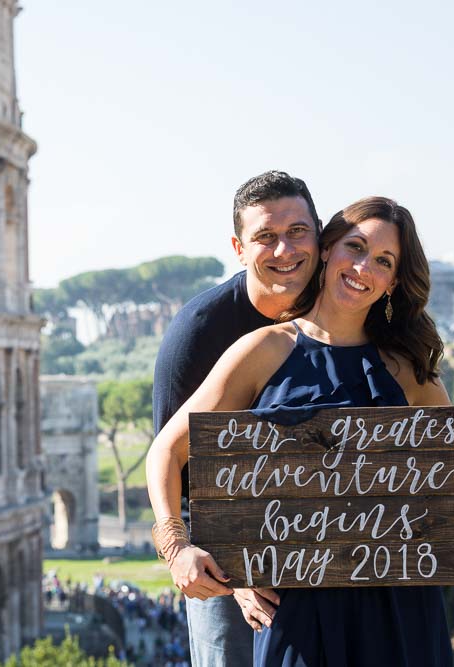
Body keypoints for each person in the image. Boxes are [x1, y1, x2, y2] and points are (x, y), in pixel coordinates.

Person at [147, 196, 454, 666]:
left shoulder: (407, 370)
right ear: (327, 249)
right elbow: (165, 451)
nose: (364, 267)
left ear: (391, 283)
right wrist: (176, 546)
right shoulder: (262, 350)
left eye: (383, 261)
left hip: (400, 613)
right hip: (298, 612)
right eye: (356, 247)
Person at [151, 170, 323, 664]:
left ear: (318, 234)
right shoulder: (198, 333)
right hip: (227, 569)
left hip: (329, 550)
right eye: (264, 237)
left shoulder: (346, 311)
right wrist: (224, 564)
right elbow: (176, 461)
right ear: (239, 247)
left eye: (296, 232)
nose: (284, 251)